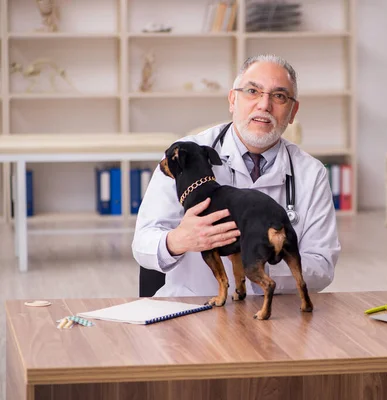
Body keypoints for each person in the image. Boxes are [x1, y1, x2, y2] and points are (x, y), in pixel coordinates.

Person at [131, 54, 341, 297]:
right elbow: (143, 243)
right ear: (233, 100)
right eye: (253, 91)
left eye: (279, 96)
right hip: (192, 311)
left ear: (293, 112)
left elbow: (322, 266)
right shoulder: (184, 157)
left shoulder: (311, 173)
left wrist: (260, 260)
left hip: (275, 315)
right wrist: (178, 240)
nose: (264, 105)